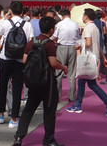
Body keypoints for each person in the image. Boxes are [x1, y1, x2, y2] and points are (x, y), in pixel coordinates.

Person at [12, 16, 67, 146]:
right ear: (52, 30)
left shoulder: (32, 42)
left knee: (28, 109)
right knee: (49, 111)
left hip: (33, 81)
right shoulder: (49, 44)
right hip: (48, 82)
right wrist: (63, 67)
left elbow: (25, 60)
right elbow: (53, 63)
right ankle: (48, 140)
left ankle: (19, 137)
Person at [66, 8, 107, 116]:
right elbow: (97, 45)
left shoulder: (88, 28)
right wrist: (103, 58)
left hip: (88, 59)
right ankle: (77, 105)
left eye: (83, 15)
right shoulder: (95, 28)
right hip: (93, 58)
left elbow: (88, 43)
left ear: (86, 16)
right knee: (83, 82)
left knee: (91, 84)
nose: (82, 17)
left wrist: (80, 46)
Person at [0, 1, 34, 129]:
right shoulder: (27, 25)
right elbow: (31, 42)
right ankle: (13, 118)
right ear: (22, 12)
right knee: (17, 89)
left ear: (10, 11)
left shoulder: (5, 23)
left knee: (2, 86)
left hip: (5, 59)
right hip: (19, 61)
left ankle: (1, 114)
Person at [53, 9, 80, 102]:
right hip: (72, 47)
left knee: (59, 72)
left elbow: (55, 37)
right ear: (70, 15)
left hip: (62, 47)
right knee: (72, 73)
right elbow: (77, 37)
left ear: (62, 16)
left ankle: (57, 96)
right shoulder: (75, 24)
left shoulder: (59, 24)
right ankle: (71, 96)